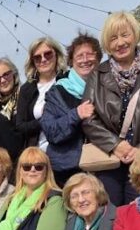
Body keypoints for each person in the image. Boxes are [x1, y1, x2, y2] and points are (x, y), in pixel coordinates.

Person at [82, 11, 140, 206]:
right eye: (113, 38)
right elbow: (88, 118)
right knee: (109, 213)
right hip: (109, 158)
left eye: (125, 35)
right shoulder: (97, 74)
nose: (120, 43)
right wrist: (115, 144)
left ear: (135, 35)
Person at [41, 34, 103, 185]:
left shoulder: (108, 87)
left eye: (90, 54)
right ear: (71, 61)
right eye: (79, 56)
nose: (85, 59)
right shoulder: (57, 92)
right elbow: (51, 131)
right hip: (66, 170)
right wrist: (76, 114)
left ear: (98, 58)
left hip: (102, 164)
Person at [16, 37, 68, 151]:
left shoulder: (67, 81)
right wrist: (44, 120)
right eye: (37, 57)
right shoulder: (27, 89)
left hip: (66, 150)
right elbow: (20, 126)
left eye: (48, 54)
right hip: (38, 153)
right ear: (32, 62)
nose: (43, 60)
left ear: (56, 55)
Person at [0, 57, 27, 163]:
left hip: (25, 163)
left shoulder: (26, 96)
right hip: (1, 164)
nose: (2, 80)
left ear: (14, 74)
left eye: (6, 74)